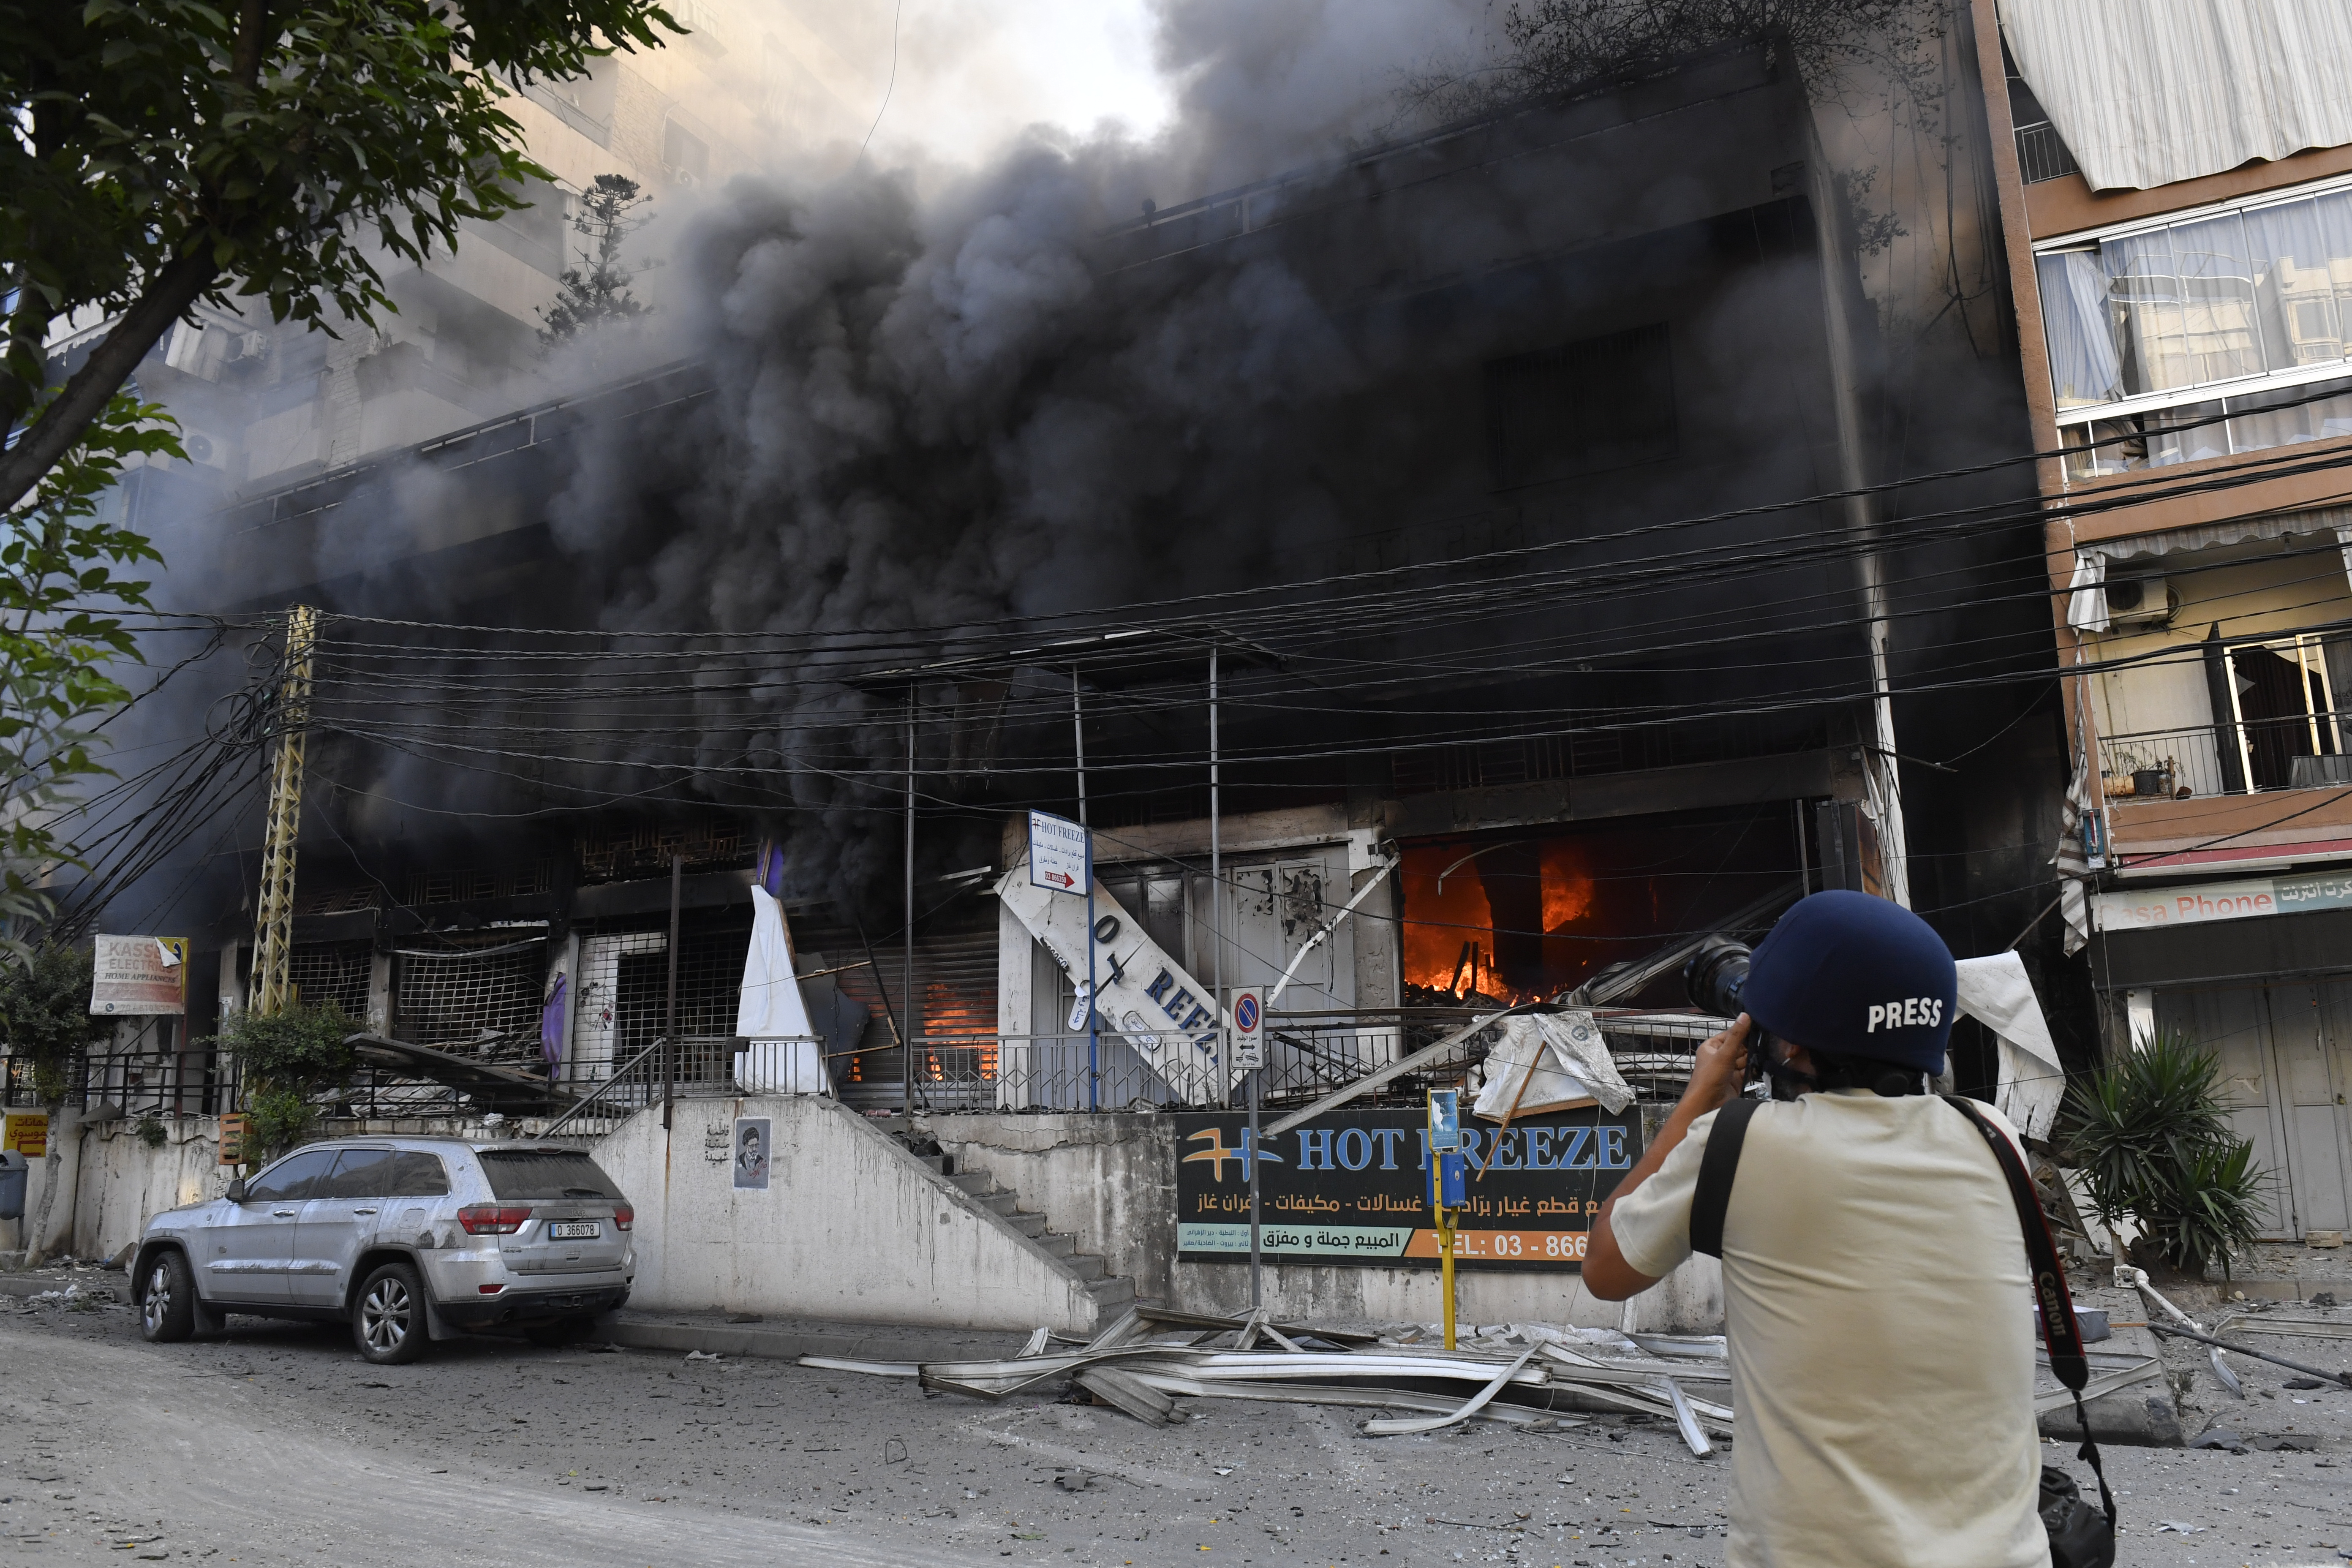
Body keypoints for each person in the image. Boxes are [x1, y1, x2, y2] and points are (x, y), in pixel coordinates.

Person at [1582, 890, 2046, 1568]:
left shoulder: (1742, 1143)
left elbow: (1606, 1269)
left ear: (1790, 1040)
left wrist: (1699, 1102)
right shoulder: (1994, 1137)